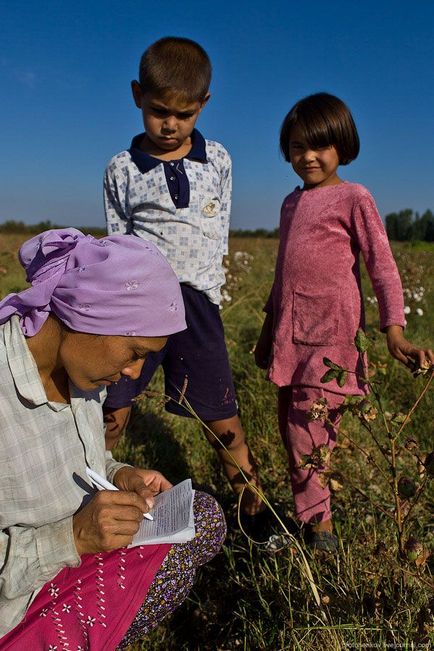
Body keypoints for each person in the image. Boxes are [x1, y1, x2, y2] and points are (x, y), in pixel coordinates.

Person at [0, 228, 226, 649]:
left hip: (68, 560)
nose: (134, 374)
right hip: (15, 602)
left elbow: (82, 460)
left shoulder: (82, 371)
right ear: (88, 315)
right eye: (135, 352)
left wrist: (120, 475)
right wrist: (71, 538)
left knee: (204, 517)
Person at [254, 92, 434, 552]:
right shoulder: (290, 204)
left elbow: (382, 263)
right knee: (291, 426)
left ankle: (321, 533)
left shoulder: (354, 197)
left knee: (308, 429)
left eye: (319, 146)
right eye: (297, 147)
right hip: (290, 336)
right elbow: (282, 273)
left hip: (329, 336)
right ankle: (313, 518)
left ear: (343, 146)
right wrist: (266, 330)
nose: (308, 156)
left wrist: (394, 328)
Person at [103, 36, 265, 521]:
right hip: (139, 307)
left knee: (220, 413)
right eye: (158, 111)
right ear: (137, 95)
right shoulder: (122, 169)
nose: (170, 125)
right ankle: (88, 480)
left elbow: (221, 227)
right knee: (112, 407)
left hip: (197, 306)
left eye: (185, 114)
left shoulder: (218, 159)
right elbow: (117, 242)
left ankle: (253, 509)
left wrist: (211, 290)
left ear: (203, 105)